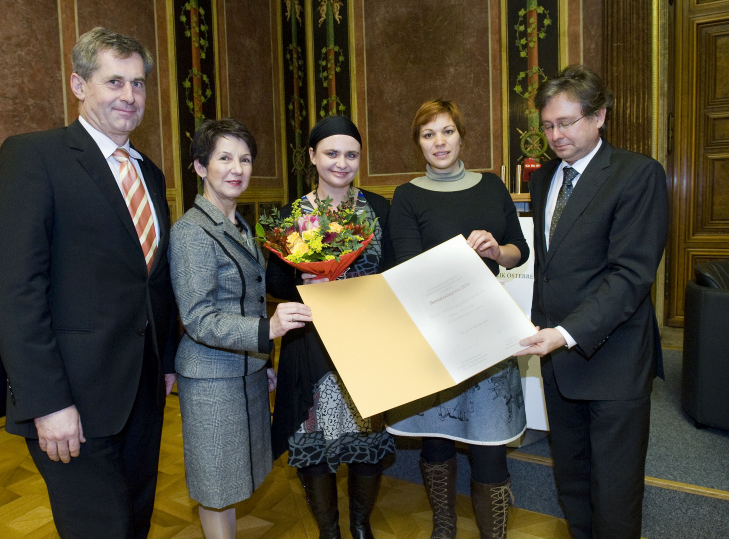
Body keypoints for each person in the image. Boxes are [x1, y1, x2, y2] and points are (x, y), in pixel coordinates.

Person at [0, 27, 177, 538]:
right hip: (70, 399)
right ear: (78, 84)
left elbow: (150, 282)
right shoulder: (33, 157)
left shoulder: (150, 174)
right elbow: (15, 291)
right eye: (114, 81)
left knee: (134, 521)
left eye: (138, 84)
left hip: (139, 393)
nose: (129, 96)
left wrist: (167, 361)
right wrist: (47, 403)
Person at [515, 65, 668, 539]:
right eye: (546, 125)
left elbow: (630, 276)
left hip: (612, 359)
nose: (554, 135)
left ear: (599, 116)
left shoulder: (637, 174)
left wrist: (563, 333)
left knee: (615, 489)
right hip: (558, 363)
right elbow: (552, 267)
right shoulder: (543, 181)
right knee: (573, 480)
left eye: (566, 122)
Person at [385, 99, 529, 539]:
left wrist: (493, 251)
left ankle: (494, 534)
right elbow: (407, 267)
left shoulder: (491, 187)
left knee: (490, 443)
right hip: (433, 332)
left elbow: (516, 249)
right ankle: (443, 526)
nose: (439, 142)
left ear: (461, 136)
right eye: (428, 134)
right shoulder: (407, 196)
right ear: (419, 144)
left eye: (446, 131)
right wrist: (457, 260)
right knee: (437, 435)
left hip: (488, 329)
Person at [168, 118, 312, 539]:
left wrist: (259, 360)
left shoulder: (241, 225)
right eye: (224, 158)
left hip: (242, 372)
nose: (237, 168)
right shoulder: (191, 231)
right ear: (199, 167)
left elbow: (243, 298)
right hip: (211, 378)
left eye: (245, 159)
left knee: (232, 483)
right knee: (216, 488)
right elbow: (199, 317)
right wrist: (266, 330)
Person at [266, 115, 395, 539]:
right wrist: (300, 279)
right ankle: (328, 531)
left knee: (366, 441)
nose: (341, 163)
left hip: (365, 342)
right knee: (313, 442)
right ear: (312, 156)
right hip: (309, 344)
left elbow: (395, 273)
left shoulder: (377, 209)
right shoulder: (292, 215)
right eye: (332, 153)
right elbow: (274, 281)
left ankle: (360, 525)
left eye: (351, 154)